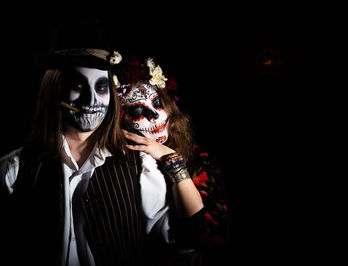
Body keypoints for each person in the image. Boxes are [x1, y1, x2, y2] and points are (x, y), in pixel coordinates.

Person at [0, 20, 144, 266]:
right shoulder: (14, 169)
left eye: (101, 87)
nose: (91, 99)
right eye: (77, 85)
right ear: (54, 90)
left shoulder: (140, 165)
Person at [114, 56, 230, 265]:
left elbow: (209, 234)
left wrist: (170, 158)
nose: (154, 116)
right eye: (138, 111)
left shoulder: (199, 159)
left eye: (158, 103)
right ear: (122, 120)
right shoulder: (120, 166)